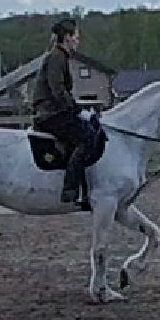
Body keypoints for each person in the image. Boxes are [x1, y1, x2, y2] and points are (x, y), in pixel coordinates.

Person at [32, 18, 94, 209]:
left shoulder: (59, 56)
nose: (78, 40)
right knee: (86, 137)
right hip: (50, 113)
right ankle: (71, 188)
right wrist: (75, 110)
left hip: (54, 110)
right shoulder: (57, 57)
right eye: (76, 36)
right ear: (67, 37)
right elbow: (57, 89)